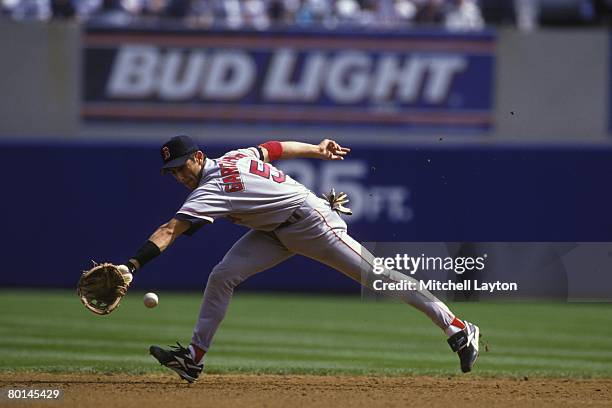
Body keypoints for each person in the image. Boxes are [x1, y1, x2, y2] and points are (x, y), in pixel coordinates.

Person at [120, 135, 480, 382]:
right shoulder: (234, 157)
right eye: (174, 172)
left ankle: (459, 328)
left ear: (199, 157)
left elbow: (169, 230)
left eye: (183, 166)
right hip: (272, 232)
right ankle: (193, 359)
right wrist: (317, 149)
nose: (180, 176)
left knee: (378, 277)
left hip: (310, 222)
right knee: (222, 275)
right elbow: (274, 148)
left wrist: (131, 266)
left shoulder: (212, 187)